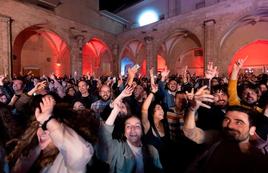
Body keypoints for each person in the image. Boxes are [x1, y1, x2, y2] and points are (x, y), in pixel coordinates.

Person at [183, 86, 268, 173]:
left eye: (238, 122)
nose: (230, 125)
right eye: (227, 119)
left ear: (252, 130)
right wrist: (192, 109)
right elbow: (191, 132)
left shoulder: (259, 159)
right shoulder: (217, 137)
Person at [7, 95, 94, 173]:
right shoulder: (28, 151)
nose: (43, 131)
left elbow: (80, 152)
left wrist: (48, 120)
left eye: (50, 128)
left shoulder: (67, 163)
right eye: (41, 126)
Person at [98, 86, 163, 173]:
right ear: (124, 132)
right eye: (128, 126)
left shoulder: (152, 151)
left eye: (137, 126)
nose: (133, 129)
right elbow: (105, 133)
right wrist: (117, 104)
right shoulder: (118, 147)